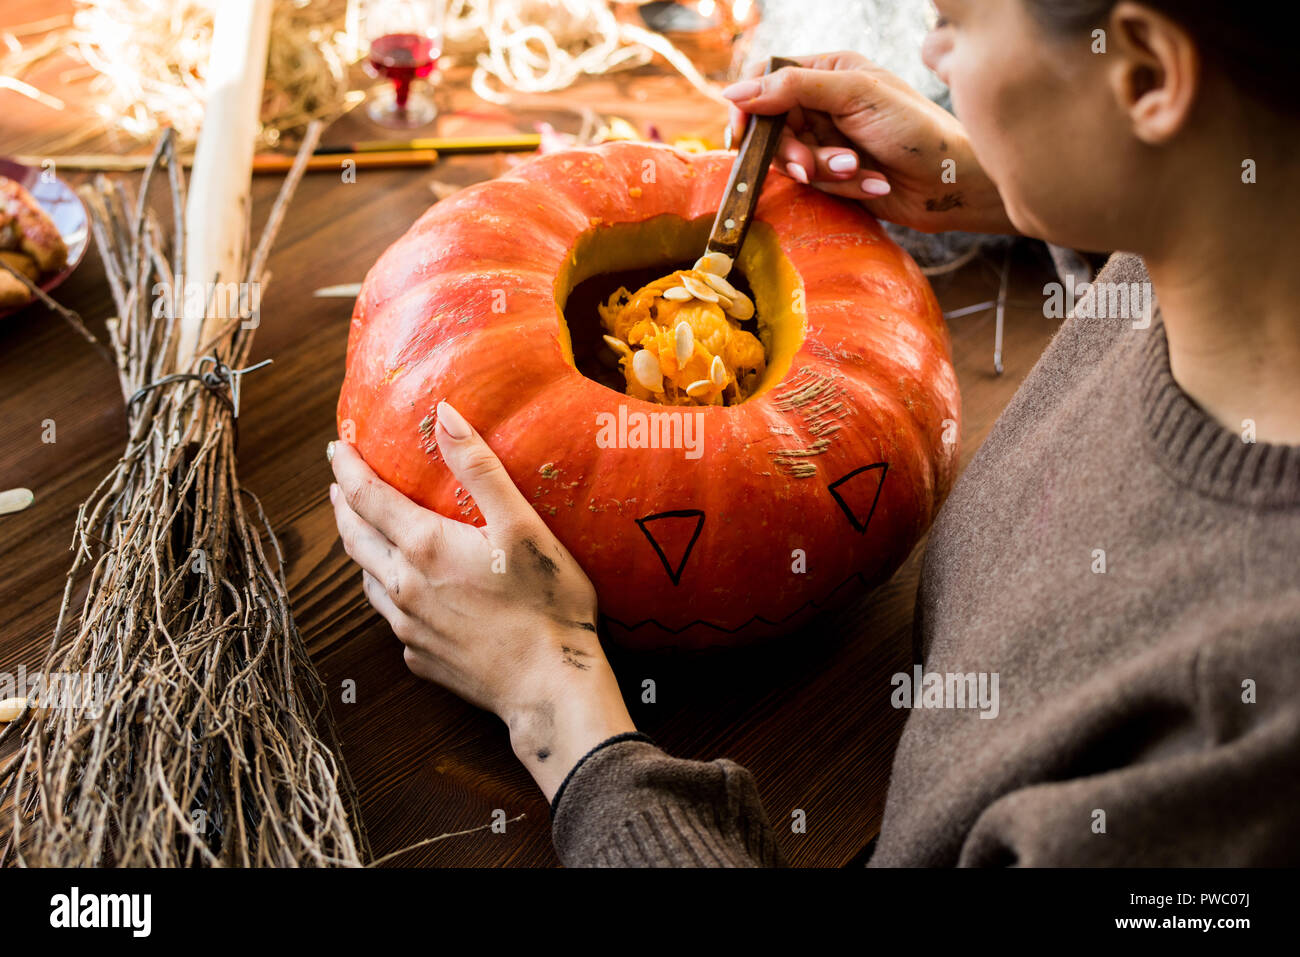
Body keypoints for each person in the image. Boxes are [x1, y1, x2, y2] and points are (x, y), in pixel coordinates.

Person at [328, 0, 1300, 866]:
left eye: (955, 20)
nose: (931, 50)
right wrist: (997, 177)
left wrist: (557, 707)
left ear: (1145, 77)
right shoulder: (1238, 258)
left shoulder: (1237, 734)